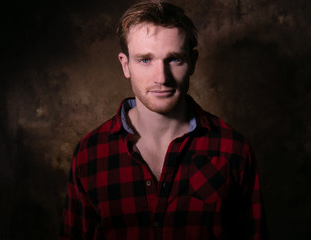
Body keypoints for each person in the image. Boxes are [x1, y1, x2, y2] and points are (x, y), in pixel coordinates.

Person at [60, 1, 267, 239]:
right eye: (145, 60)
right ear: (125, 65)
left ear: (193, 63)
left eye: (174, 59)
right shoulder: (90, 153)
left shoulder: (234, 150)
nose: (161, 77)